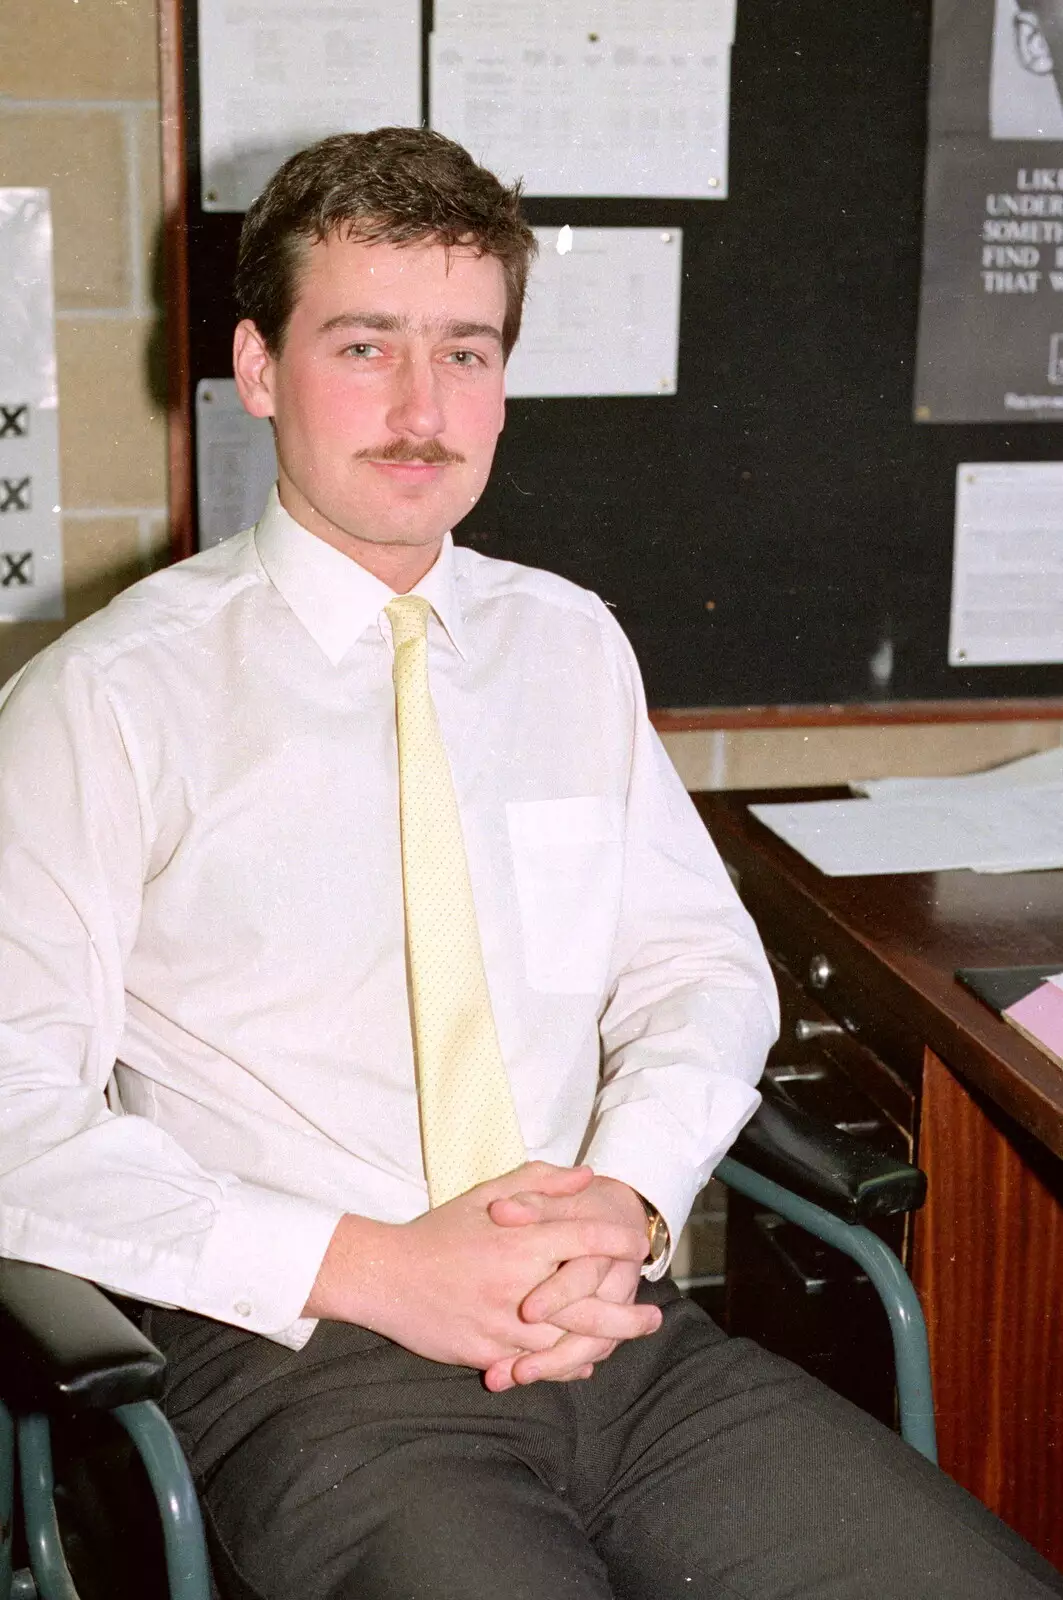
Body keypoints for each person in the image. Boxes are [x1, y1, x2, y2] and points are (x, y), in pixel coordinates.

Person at [0, 127, 1059, 1600]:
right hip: (305, 1356)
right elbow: (12, 1113)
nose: (423, 408)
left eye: (468, 351)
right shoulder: (108, 699)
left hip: (608, 1328)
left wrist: (623, 1200)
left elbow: (692, 969)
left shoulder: (566, 642)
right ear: (257, 368)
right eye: (364, 345)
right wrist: (375, 1266)